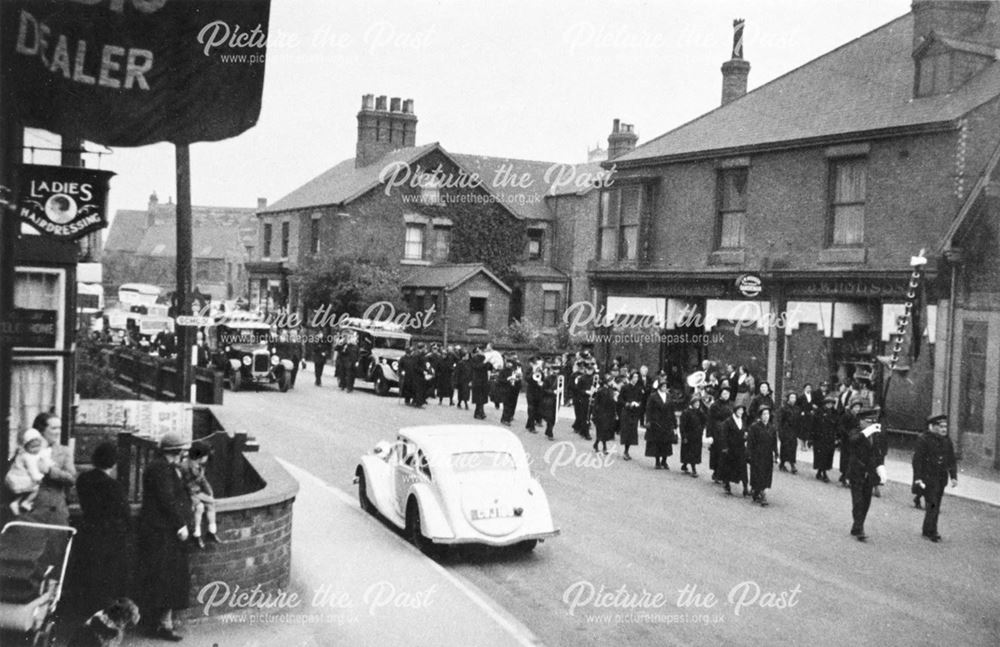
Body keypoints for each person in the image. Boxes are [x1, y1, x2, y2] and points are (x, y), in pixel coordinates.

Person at [136, 432, 191, 641]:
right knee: (164, 579)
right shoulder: (161, 469)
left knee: (162, 579)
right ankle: (160, 626)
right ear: (175, 452)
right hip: (162, 532)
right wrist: (180, 525)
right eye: (181, 452)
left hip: (159, 531)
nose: (182, 456)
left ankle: (161, 624)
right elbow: (167, 499)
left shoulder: (163, 467)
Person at [74, 441, 132, 605]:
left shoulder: (83, 479)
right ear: (113, 462)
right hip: (110, 537)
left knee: (90, 576)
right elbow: (125, 513)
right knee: (108, 579)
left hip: (88, 531)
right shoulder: (114, 486)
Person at [23, 413, 76, 526]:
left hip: (55, 513)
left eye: (59, 428)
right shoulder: (25, 450)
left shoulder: (64, 451)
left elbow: (72, 478)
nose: (58, 432)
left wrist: (50, 471)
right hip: (30, 512)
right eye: (53, 428)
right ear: (41, 430)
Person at [912, 414, 958, 543]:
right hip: (928, 477)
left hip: (941, 478)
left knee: (936, 504)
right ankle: (932, 531)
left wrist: (953, 477)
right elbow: (917, 460)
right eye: (941, 426)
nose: (944, 429)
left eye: (945, 426)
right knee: (932, 503)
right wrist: (918, 478)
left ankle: (927, 529)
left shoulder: (946, 441)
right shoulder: (924, 439)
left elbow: (951, 460)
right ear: (933, 426)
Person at [846, 409, 886, 542]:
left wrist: (881, 468)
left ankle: (857, 525)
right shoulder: (855, 431)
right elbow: (853, 440)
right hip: (857, 471)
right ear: (861, 421)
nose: (871, 424)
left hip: (869, 473)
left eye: (873, 422)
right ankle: (859, 528)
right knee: (858, 501)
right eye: (868, 422)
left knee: (866, 502)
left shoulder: (874, 436)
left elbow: (877, 453)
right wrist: (867, 432)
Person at [179, 441, 221, 549]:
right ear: (201, 456)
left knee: (211, 505)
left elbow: (203, 480)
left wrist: (209, 493)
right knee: (200, 507)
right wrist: (203, 497)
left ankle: (212, 531)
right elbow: (188, 486)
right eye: (206, 455)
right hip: (188, 494)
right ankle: (196, 534)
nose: (207, 458)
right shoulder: (185, 466)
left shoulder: (199, 466)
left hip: (197, 493)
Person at [5, 428, 47, 515]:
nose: (35, 449)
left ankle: (16, 503)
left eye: (38, 446)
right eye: (32, 447)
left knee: (25, 491)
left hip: (14, 478)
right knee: (36, 488)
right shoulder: (28, 457)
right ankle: (26, 502)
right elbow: (33, 472)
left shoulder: (23, 454)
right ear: (26, 446)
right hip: (21, 479)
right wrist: (41, 478)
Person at [746, 404, 778, 506]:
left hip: (767, 455)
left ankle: (761, 492)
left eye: (767, 414)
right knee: (758, 474)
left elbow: (774, 442)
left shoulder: (772, 428)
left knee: (766, 474)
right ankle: (759, 492)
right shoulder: (754, 427)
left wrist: (776, 454)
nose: (766, 416)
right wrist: (749, 455)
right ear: (760, 416)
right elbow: (750, 442)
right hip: (757, 455)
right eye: (764, 414)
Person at [718, 404, 749, 496]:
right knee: (728, 467)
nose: (741, 412)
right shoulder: (728, 422)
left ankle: (745, 487)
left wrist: (746, 437)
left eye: (742, 411)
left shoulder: (742, 421)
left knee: (743, 468)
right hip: (730, 448)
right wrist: (725, 447)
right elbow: (723, 435)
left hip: (740, 448)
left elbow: (744, 431)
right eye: (739, 410)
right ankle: (727, 485)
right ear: (735, 411)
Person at [644, 381, 676, 470]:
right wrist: (648, 421)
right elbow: (649, 409)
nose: (665, 388)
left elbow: (672, 410)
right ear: (659, 387)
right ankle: (657, 461)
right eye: (663, 386)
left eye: (666, 386)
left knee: (667, 442)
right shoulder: (653, 396)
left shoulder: (668, 396)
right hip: (657, 422)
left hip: (667, 422)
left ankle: (664, 460)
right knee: (657, 442)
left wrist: (675, 423)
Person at [707, 387, 733, 482]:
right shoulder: (715, 405)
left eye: (728, 393)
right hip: (717, 431)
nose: (726, 395)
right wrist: (709, 435)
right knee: (716, 452)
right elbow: (710, 420)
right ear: (721, 394)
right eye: (724, 393)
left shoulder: (731, 404)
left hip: (728, 432)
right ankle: (716, 472)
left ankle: (723, 473)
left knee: (725, 452)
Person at [812, 396, 839, 483]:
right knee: (822, 455)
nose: (829, 405)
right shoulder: (819, 412)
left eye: (831, 403)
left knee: (828, 455)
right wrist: (812, 437)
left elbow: (837, 425)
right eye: (828, 403)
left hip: (830, 438)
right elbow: (814, 424)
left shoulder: (834, 413)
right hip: (820, 437)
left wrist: (837, 437)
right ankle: (824, 473)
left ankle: (820, 472)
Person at [679, 395, 706, 477]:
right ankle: (693, 469)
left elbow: (704, 420)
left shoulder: (700, 412)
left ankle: (684, 465)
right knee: (690, 452)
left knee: (693, 452)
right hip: (689, 436)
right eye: (696, 403)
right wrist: (684, 436)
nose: (697, 404)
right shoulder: (686, 412)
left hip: (697, 436)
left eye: (698, 403)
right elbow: (682, 425)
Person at [618, 372, 643, 460]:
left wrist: (638, 404)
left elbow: (641, 399)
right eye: (634, 377)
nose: (636, 379)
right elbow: (620, 399)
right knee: (626, 431)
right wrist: (627, 404)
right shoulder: (625, 387)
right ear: (631, 378)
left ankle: (627, 450)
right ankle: (625, 451)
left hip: (634, 412)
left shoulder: (639, 388)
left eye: (637, 377)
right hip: (627, 412)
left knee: (632, 431)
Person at [591, 380, 618, 454]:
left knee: (605, 431)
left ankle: (597, 444)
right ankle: (604, 447)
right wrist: (594, 414)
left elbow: (613, 403)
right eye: (610, 381)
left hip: (609, 413)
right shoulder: (601, 391)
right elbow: (596, 403)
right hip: (601, 413)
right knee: (602, 430)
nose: (612, 382)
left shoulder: (611, 390)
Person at [778, 393, 801, 474]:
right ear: (788, 398)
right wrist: (780, 432)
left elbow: (798, 420)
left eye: (794, 397)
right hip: (785, 430)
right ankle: (782, 463)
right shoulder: (784, 408)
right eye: (791, 397)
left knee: (793, 447)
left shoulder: (797, 408)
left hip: (793, 431)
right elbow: (780, 421)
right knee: (785, 447)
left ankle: (792, 464)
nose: (793, 399)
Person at [538, 363, 560, 440]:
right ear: (551, 370)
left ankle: (548, 430)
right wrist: (553, 392)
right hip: (549, 400)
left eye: (556, 369)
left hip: (557, 400)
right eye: (553, 369)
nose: (555, 371)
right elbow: (544, 389)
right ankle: (550, 433)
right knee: (550, 417)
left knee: (554, 417)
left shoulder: (560, 379)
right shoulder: (547, 378)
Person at [470, 348, 491, 420]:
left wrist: (488, 363)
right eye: (479, 351)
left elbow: (489, 367)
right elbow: (476, 367)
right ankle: (478, 412)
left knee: (482, 398)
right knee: (478, 398)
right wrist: (484, 363)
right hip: (477, 381)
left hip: (484, 380)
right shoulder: (474, 359)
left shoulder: (485, 358)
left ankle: (480, 412)